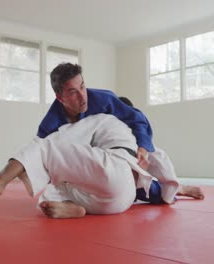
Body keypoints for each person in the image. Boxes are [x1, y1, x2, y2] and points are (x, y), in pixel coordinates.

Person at [38, 63, 203, 203]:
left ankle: (176, 189)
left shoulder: (104, 100)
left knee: (142, 186)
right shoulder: (49, 127)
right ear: (60, 98)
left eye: (82, 86)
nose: (82, 96)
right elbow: (43, 159)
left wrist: (142, 149)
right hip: (86, 167)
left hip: (116, 157)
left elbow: (138, 119)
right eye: (73, 92)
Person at [0, 113, 164, 218]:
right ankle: (76, 209)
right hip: (120, 203)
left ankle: (0, 180)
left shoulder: (107, 118)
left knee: (44, 145)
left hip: (112, 171)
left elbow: (63, 139)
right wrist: (176, 189)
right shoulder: (140, 144)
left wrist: (39, 153)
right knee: (59, 184)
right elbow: (161, 163)